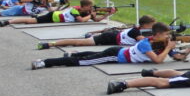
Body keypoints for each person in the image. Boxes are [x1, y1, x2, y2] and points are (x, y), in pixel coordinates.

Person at [31, 21, 177, 70]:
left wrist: (189, 48)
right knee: (82, 62)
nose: (167, 37)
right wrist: (169, 47)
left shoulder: (157, 41)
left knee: (92, 56)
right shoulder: (146, 43)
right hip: (114, 56)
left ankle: (72, 54)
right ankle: (44, 62)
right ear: (158, 34)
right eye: (166, 35)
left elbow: (178, 57)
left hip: (117, 51)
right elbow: (158, 61)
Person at [37, 15, 158, 52]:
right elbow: (144, 41)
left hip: (114, 35)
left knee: (81, 42)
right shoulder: (136, 31)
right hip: (109, 37)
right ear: (145, 25)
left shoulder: (140, 29)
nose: (153, 27)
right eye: (152, 25)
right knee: (79, 43)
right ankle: (50, 44)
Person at [0, 0, 100, 26]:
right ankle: (8, 21)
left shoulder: (85, 12)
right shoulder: (75, 10)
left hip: (55, 17)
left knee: (31, 21)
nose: (91, 8)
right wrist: (91, 15)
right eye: (90, 6)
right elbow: (81, 20)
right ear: (85, 6)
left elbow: (96, 20)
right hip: (52, 16)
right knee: (29, 21)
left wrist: (107, 13)